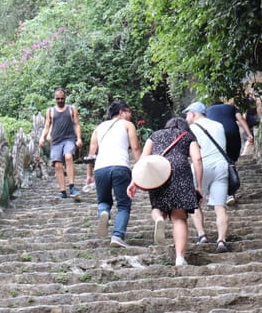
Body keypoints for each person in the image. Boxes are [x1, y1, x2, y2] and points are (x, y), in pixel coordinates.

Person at [129, 117, 202, 266]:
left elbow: (143, 159)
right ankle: (180, 258)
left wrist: (134, 181)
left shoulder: (155, 135)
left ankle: (159, 219)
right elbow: (198, 159)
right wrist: (199, 186)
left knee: (157, 207)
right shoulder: (188, 136)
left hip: (158, 170)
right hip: (180, 171)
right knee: (179, 218)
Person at [86, 100, 142, 248]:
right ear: (121, 112)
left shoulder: (98, 128)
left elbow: (91, 154)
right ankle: (117, 235)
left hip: (100, 168)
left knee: (103, 200)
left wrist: (89, 174)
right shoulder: (127, 125)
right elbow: (135, 147)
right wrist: (142, 166)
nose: (130, 115)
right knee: (123, 204)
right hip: (120, 167)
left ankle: (104, 212)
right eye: (128, 112)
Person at [184, 102, 231, 253]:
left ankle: (201, 235)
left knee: (195, 202)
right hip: (221, 166)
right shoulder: (219, 125)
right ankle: (221, 240)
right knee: (220, 206)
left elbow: (190, 153)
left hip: (201, 168)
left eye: (187, 114)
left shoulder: (191, 129)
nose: (186, 117)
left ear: (193, 113)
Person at [38, 88, 83, 199]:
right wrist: (42, 137)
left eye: (62, 98)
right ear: (55, 98)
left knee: (68, 157)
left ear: (65, 98)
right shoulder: (50, 111)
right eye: (58, 98)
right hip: (56, 141)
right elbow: (47, 126)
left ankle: (72, 186)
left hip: (69, 139)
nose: (60, 100)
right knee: (57, 165)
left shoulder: (72, 109)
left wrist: (79, 138)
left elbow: (77, 124)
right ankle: (62, 191)